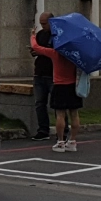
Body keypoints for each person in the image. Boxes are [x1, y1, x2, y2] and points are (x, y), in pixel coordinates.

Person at [31, 25, 82, 152]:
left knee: (60, 114)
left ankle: (60, 141)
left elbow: (36, 47)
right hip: (73, 86)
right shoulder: (75, 55)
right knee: (74, 114)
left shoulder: (55, 53)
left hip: (59, 86)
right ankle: (72, 141)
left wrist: (32, 36)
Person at [30, 12, 55, 141]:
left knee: (57, 104)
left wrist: (41, 51)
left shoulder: (57, 35)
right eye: (41, 24)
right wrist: (34, 52)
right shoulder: (40, 34)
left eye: (44, 24)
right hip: (40, 72)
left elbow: (55, 52)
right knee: (40, 103)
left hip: (53, 73)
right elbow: (36, 49)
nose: (43, 26)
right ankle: (43, 129)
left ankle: (63, 130)